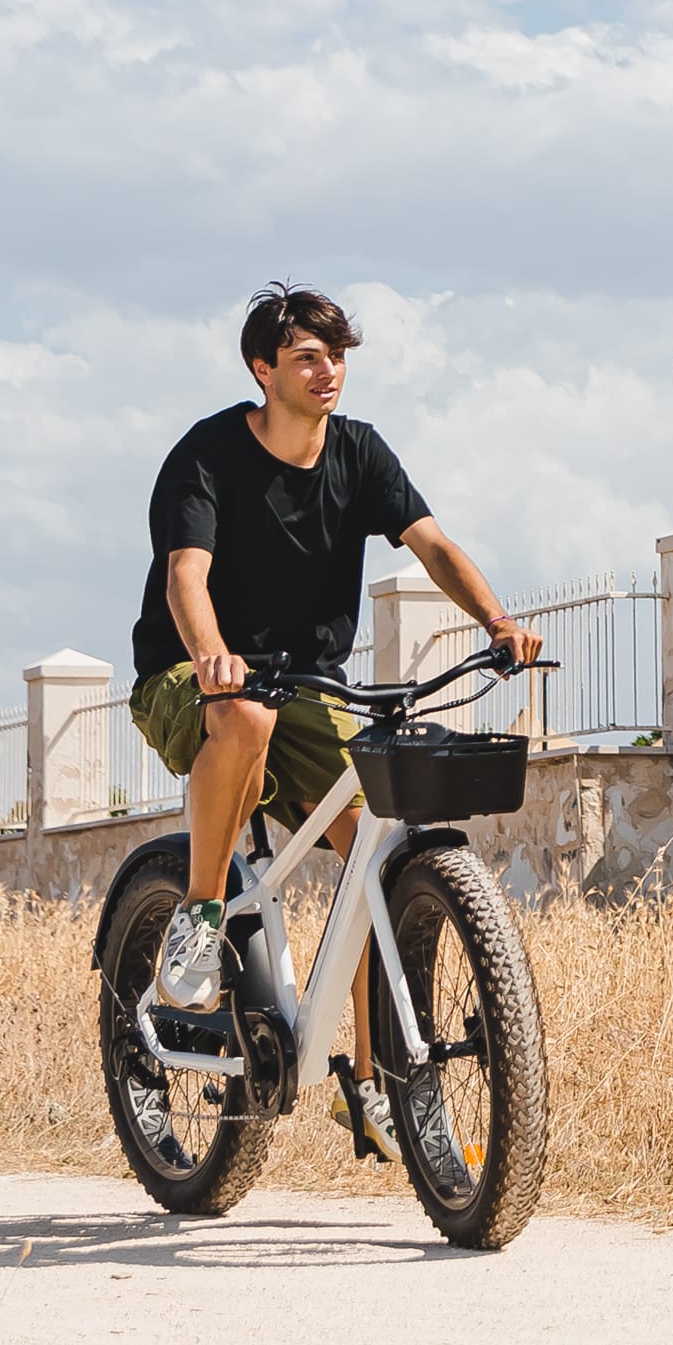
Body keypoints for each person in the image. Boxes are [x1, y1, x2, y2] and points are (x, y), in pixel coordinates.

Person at [132, 285, 537, 1043]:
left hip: (307, 683)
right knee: (245, 715)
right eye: (308, 358)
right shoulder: (205, 456)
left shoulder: (359, 452)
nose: (330, 372)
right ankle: (198, 918)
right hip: (190, 674)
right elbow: (185, 574)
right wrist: (213, 655)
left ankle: (372, 1078)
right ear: (263, 369)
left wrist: (498, 619)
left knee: (371, 858)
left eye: (339, 356)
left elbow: (434, 545)